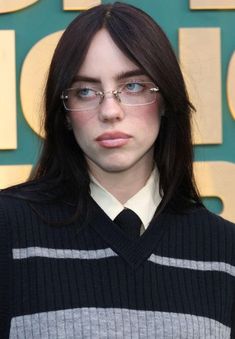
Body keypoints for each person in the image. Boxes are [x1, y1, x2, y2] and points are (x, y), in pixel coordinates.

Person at [0, 2, 234, 338]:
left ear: (166, 98)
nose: (110, 111)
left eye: (133, 86)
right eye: (85, 91)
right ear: (64, 111)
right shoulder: (8, 230)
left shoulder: (224, 251)